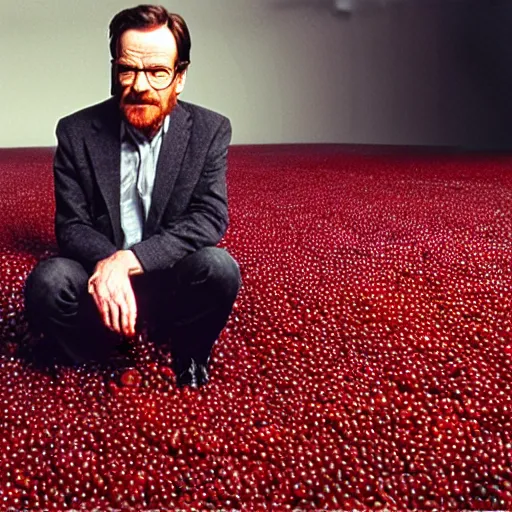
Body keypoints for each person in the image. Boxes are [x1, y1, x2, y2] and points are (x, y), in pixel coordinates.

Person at [23, 5, 241, 388]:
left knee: (219, 268)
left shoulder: (210, 130)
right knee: (48, 281)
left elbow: (209, 216)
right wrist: (107, 264)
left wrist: (129, 261)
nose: (140, 85)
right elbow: (71, 225)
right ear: (113, 71)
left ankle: (189, 354)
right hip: (98, 279)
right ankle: (94, 354)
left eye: (157, 72)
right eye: (128, 69)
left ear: (180, 76)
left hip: (169, 277)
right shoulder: (76, 132)